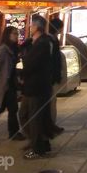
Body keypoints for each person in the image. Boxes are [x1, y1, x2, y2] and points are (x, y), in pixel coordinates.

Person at [19, 15, 53, 159]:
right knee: (25, 114)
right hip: (31, 85)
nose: (29, 27)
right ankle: (38, 142)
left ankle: (37, 147)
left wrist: (19, 70)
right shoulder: (34, 42)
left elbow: (33, 64)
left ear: (37, 27)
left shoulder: (43, 43)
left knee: (34, 117)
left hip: (37, 86)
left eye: (32, 25)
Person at [45, 16, 65, 138]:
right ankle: (50, 126)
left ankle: (51, 125)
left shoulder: (50, 40)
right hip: (50, 77)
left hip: (50, 77)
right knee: (51, 102)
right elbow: (53, 60)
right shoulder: (51, 41)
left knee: (51, 102)